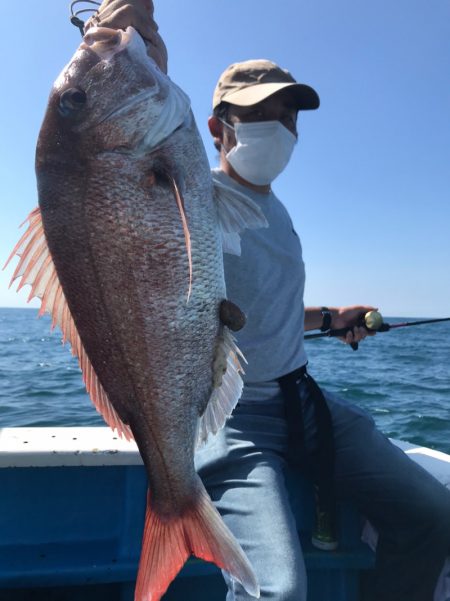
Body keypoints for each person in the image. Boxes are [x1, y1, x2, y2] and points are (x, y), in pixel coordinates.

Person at [83, 3, 450, 600]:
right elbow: (125, 119)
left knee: (434, 513)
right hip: (232, 421)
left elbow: (257, 309)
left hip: (304, 401)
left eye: (288, 116)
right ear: (216, 127)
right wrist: (129, 32)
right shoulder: (185, 195)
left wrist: (331, 318)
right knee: (276, 590)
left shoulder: (277, 211)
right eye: (258, 114)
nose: (279, 128)